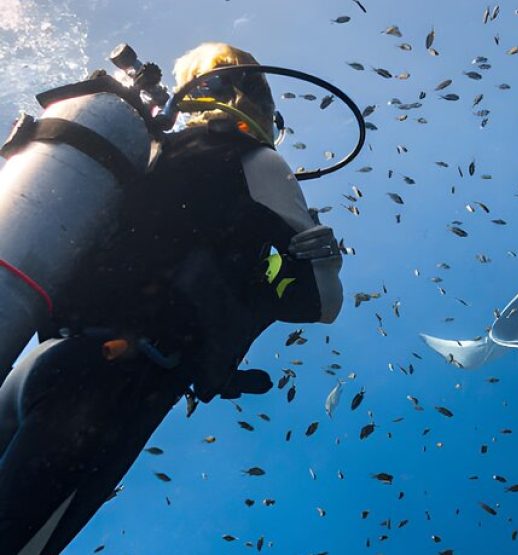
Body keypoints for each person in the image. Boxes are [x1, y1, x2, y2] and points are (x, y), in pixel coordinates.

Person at [0, 42, 343, 554]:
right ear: (253, 96)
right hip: (117, 383)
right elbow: (322, 304)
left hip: (37, 357)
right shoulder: (255, 159)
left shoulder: (148, 156)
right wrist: (325, 262)